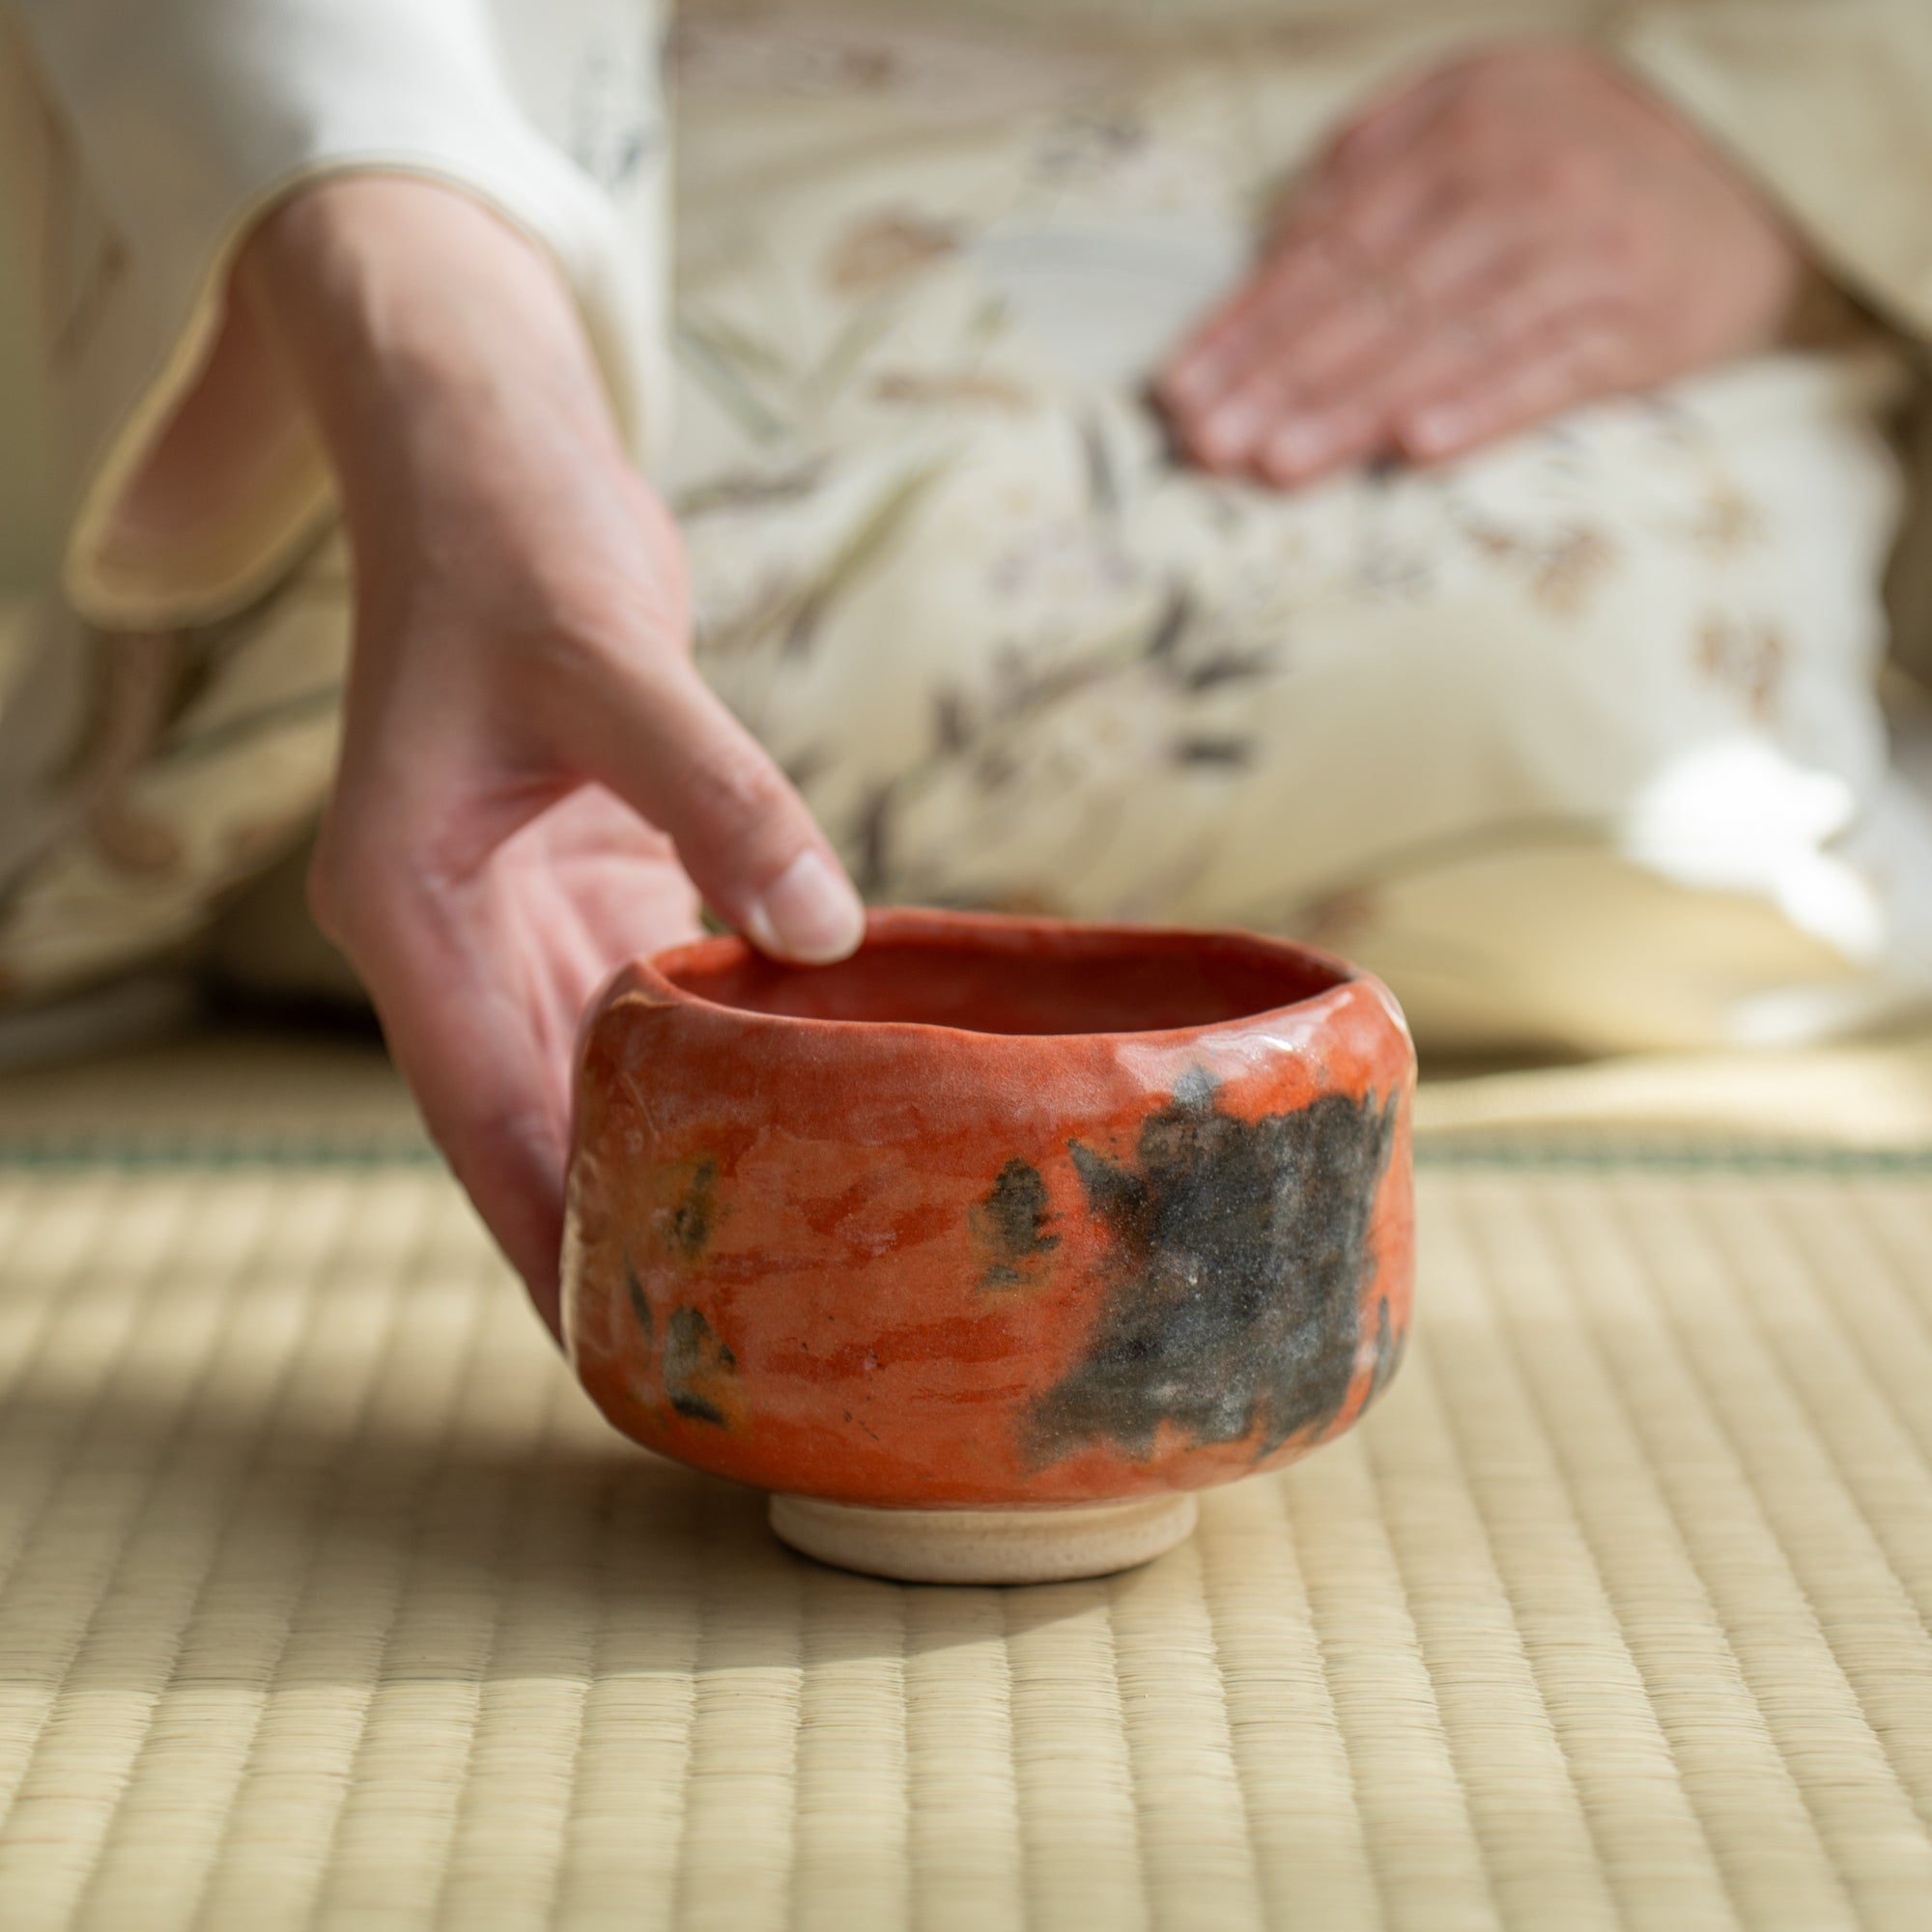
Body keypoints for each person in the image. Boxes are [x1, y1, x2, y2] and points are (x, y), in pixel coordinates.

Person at [3, 0, 1931, 1334]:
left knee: (1653, 702)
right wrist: (452, 367)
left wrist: (1780, 132)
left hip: (1522, 105)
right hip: (531, 130)